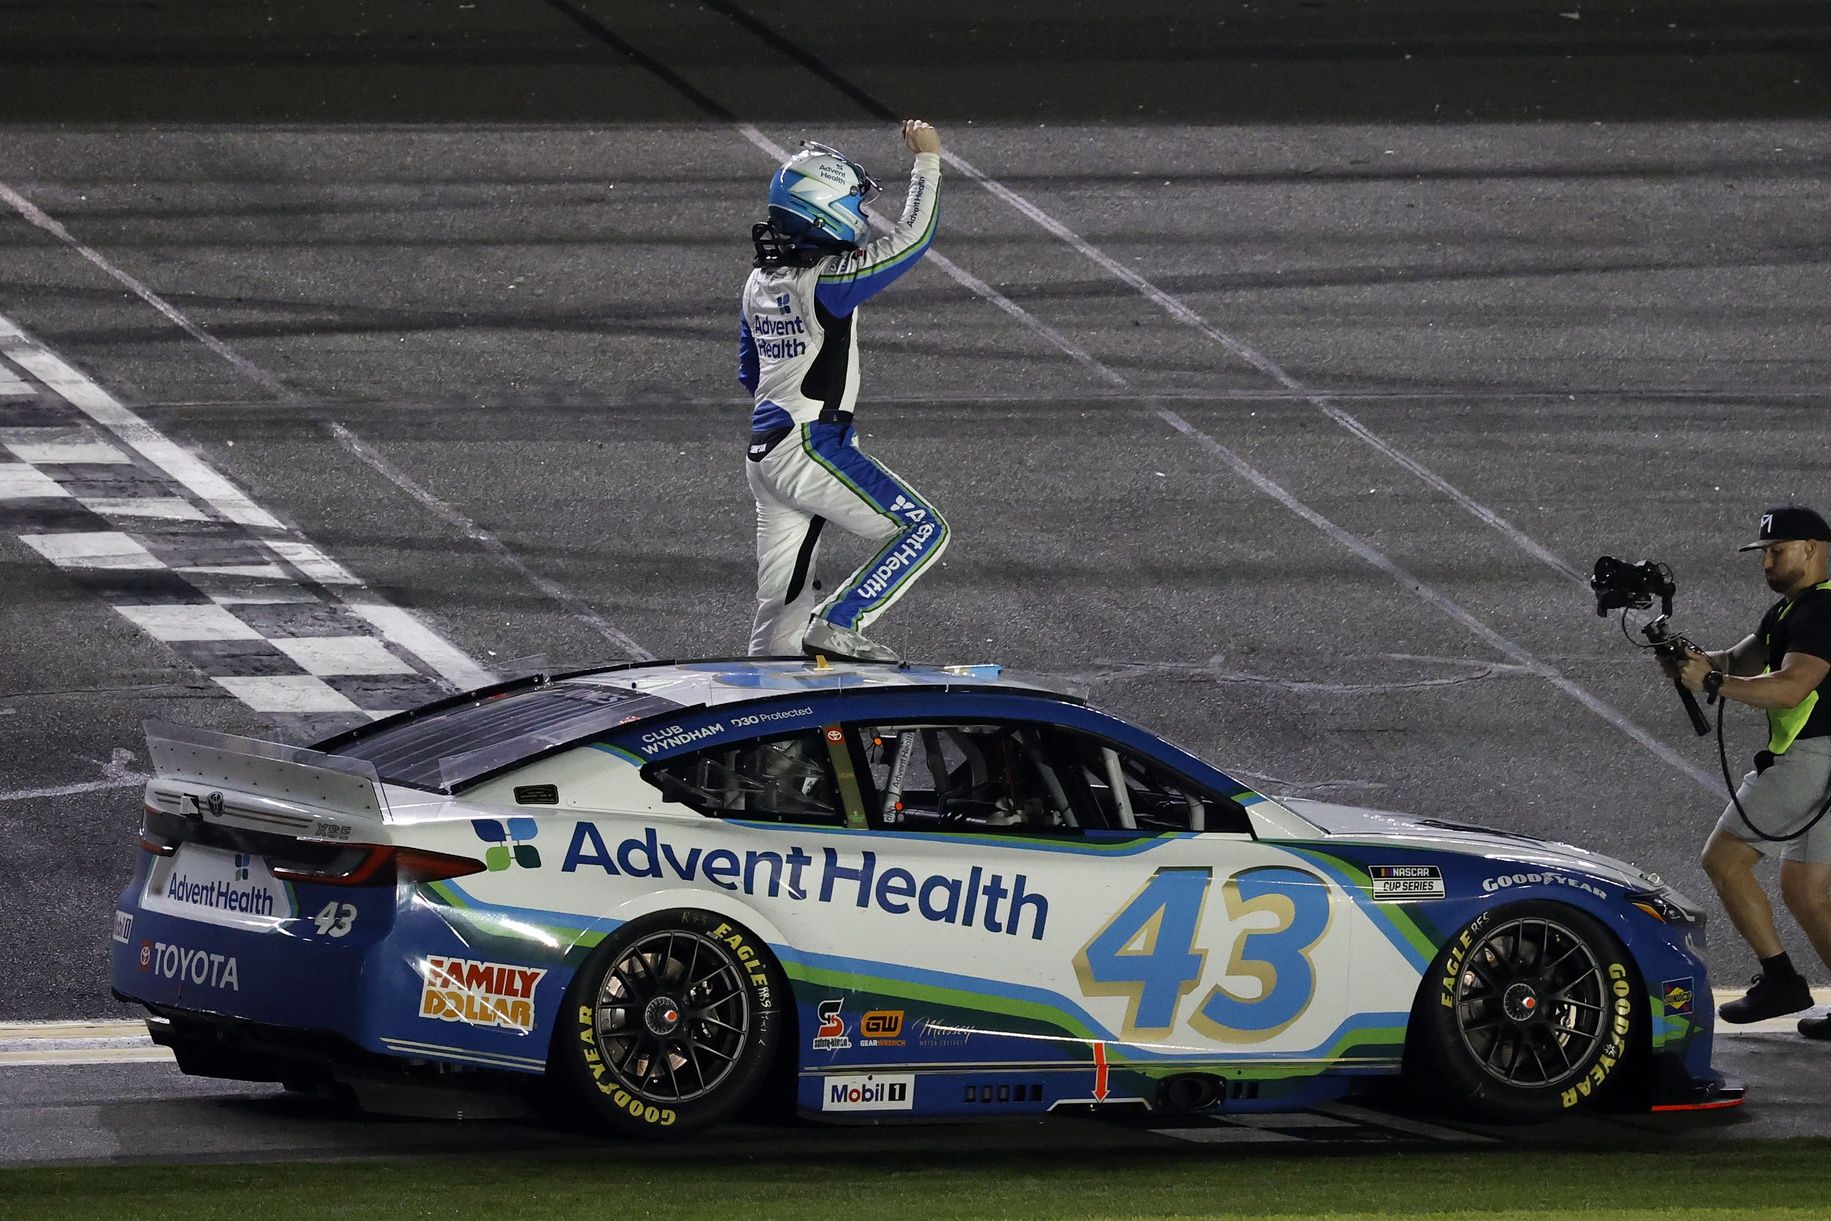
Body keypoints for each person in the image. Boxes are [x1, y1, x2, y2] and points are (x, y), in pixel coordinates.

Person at [738, 120, 947, 663]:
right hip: (810, 446)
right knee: (922, 528)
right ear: (823, 207)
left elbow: (749, 372)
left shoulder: (758, 282)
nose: (860, 216)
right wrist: (927, 160)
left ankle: (774, 732)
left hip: (765, 454)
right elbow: (912, 239)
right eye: (854, 204)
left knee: (778, 611)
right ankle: (840, 622)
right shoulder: (828, 279)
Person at [1663, 506, 1831, 1034]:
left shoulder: (1820, 614)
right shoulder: (1792, 610)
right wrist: (1688, 658)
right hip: (1821, 761)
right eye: (1763, 554)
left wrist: (1712, 685)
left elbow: (1790, 686)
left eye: (1776, 551)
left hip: (1813, 758)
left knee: (1724, 861)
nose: (1766, 563)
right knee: (1806, 889)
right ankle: (1784, 980)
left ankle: (1779, 980)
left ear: (1811, 548)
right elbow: (1740, 660)